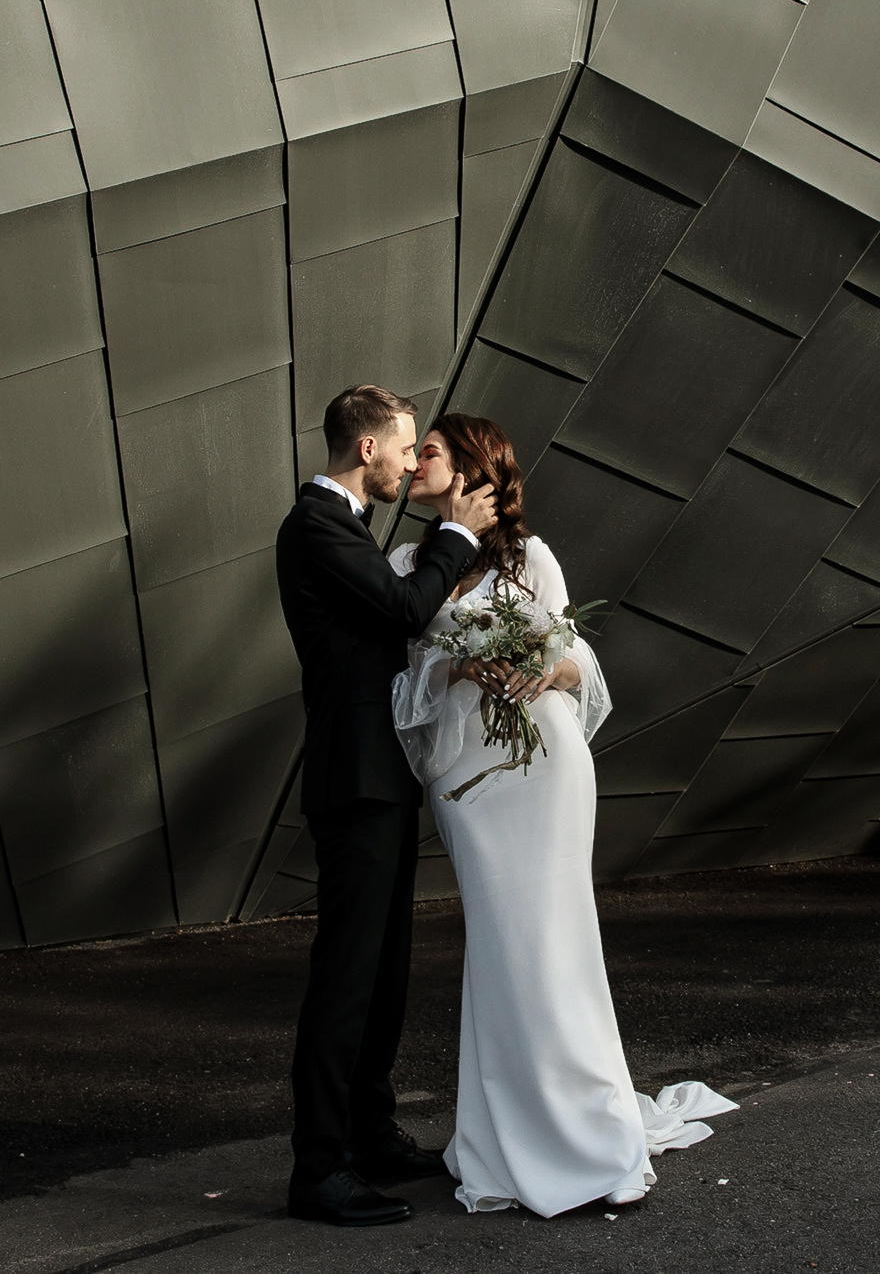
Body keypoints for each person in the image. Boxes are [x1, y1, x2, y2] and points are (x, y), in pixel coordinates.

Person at [388, 412, 734, 1218]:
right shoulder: (407, 563)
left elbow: (580, 658)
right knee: (501, 943)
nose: (415, 463)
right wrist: (457, 663)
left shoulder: (529, 557)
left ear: (470, 465)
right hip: (466, 776)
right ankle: (505, 1133)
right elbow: (404, 682)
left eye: (429, 451)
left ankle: (589, 1135)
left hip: (542, 763)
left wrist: (544, 666)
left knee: (555, 937)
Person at [275, 385, 498, 1228]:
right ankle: (319, 1167)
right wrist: (458, 533)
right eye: (405, 448)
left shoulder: (349, 527)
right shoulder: (315, 525)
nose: (411, 464)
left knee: (385, 971)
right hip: (354, 778)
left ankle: (369, 1134)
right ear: (367, 448)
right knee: (346, 976)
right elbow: (406, 608)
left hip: (384, 773)